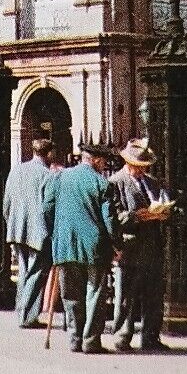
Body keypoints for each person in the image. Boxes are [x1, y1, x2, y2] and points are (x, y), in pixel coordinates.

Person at [51, 142, 117, 353]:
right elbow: (110, 220)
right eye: (104, 161)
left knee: (71, 295)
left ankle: (75, 338)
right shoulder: (102, 183)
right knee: (95, 293)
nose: (105, 165)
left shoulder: (60, 178)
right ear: (96, 160)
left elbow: (47, 207)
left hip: (64, 245)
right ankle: (91, 340)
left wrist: (57, 232)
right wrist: (118, 244)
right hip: (94, 247)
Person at [109, 138, 169, 351]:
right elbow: (114, 216)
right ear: (128, 163)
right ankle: (123, 336)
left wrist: (163, 213)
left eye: (145, 167)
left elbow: (160, 201)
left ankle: (151, 337)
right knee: (127, 296)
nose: (142, 171)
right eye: (138, 167)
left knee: (153, 294)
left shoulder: (152, 182)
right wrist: (137, 217)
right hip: (131, 248)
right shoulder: (116, 182)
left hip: (152, 246)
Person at [3, 138, 58, 329]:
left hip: (17, 229)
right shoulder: (48, 175)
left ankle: (22, 310)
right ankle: (27, 315)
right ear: (49, 153)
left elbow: (6, 203)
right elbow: (49, 206)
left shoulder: (16, 170)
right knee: (36, 273)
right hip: (39, 231)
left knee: (25, 272)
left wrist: (11, 221)